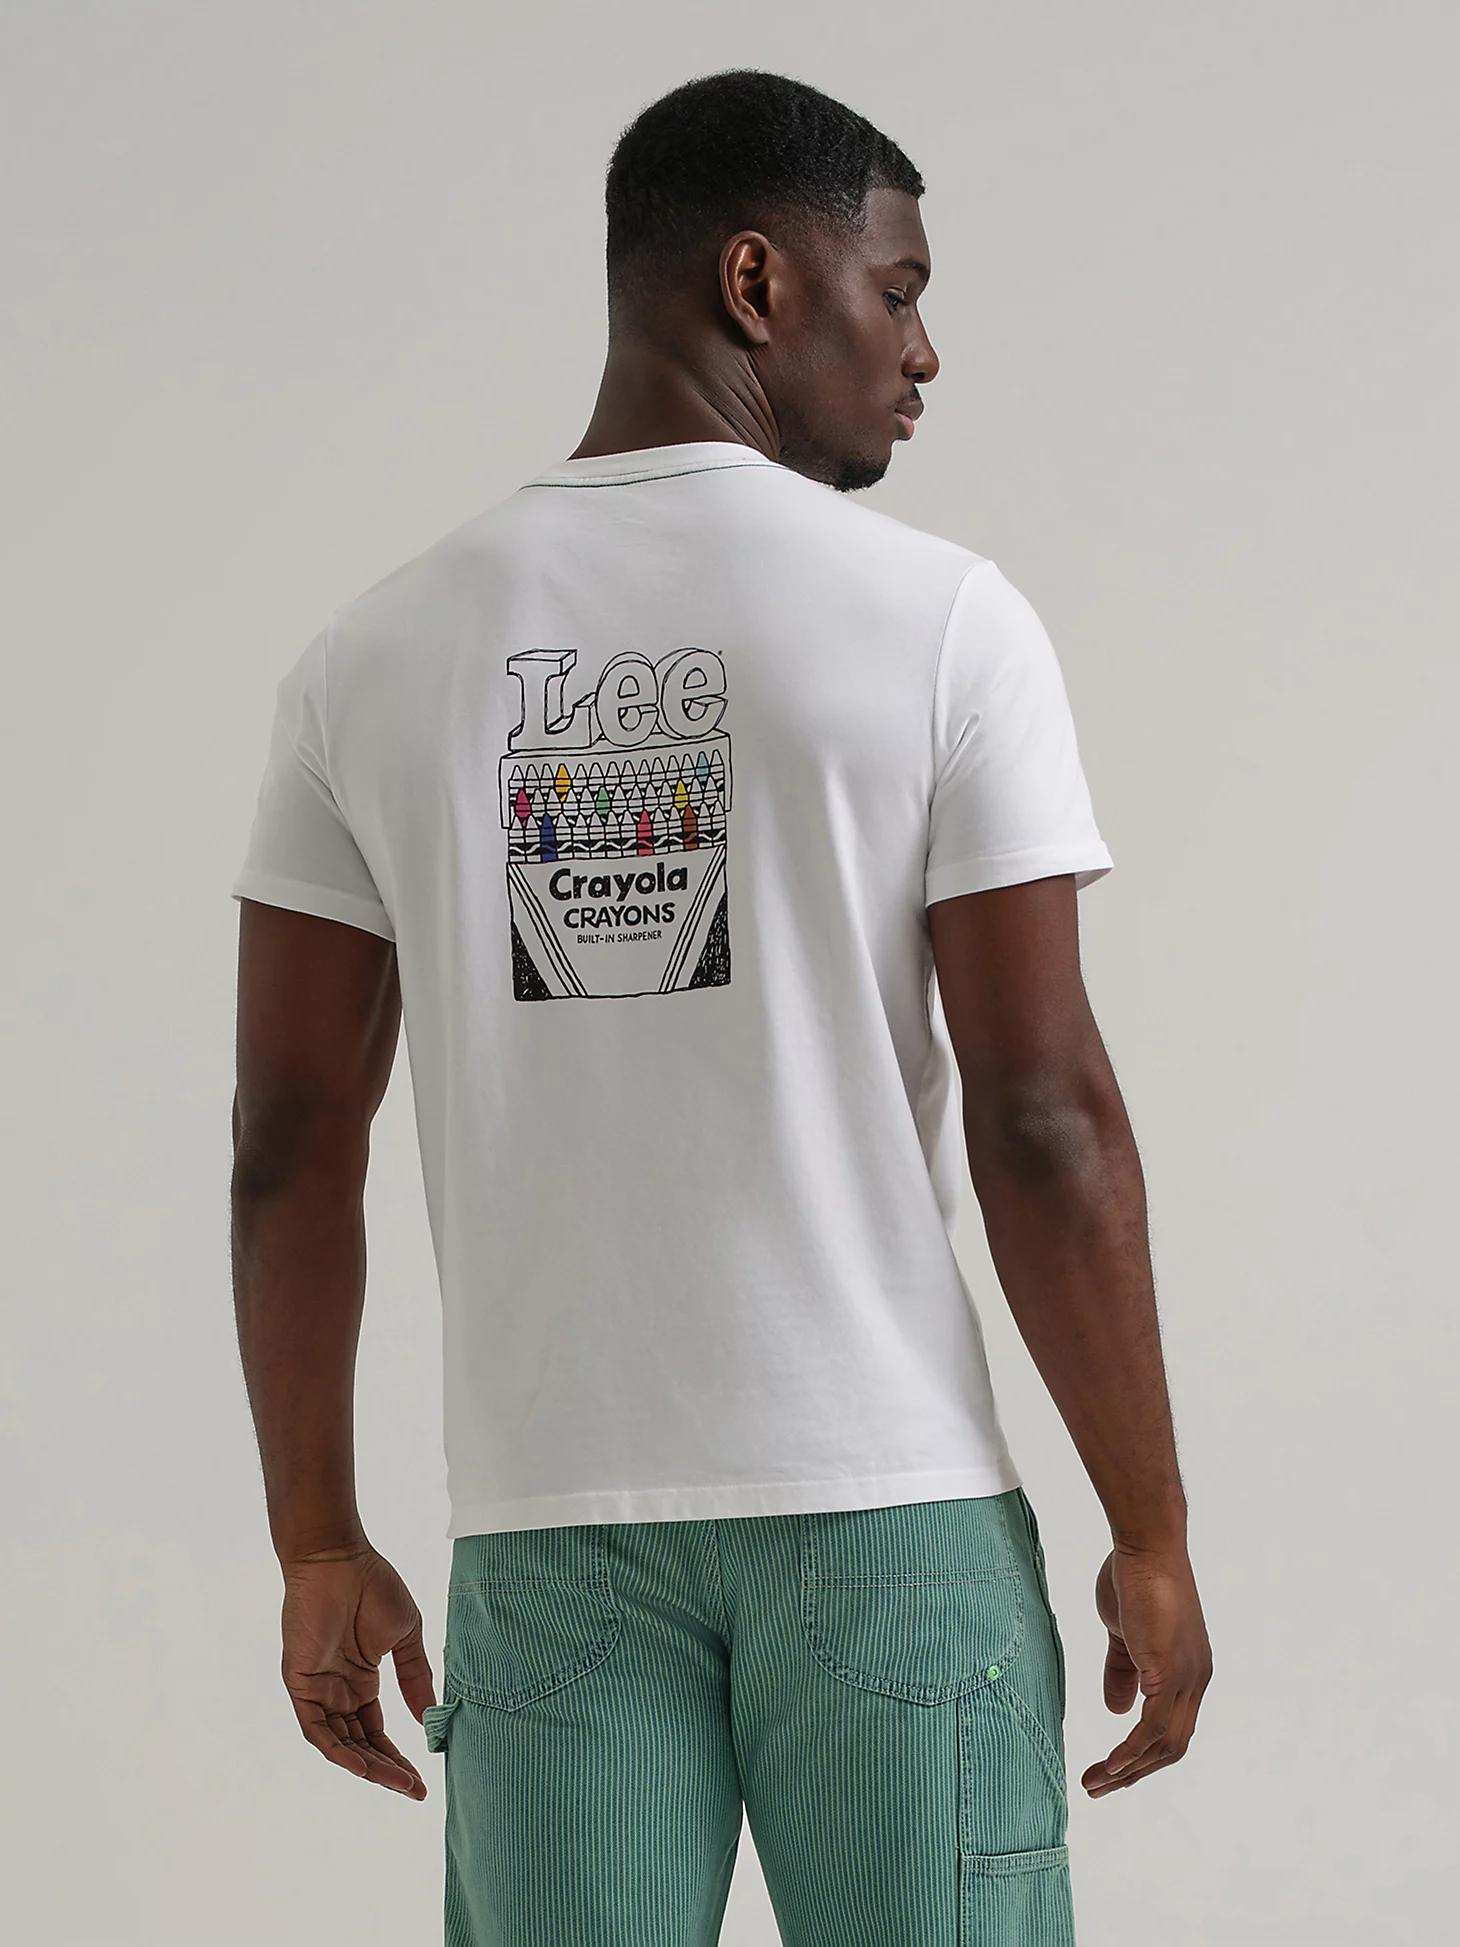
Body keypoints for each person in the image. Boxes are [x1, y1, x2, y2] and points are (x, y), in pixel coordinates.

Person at [230, 65, 1212, 1947]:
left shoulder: (372, 657)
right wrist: (1151, 1530)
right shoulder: (942, 622)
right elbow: (1045, 1114)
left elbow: (286, 1139)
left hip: (550, 1537)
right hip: (887, 1520)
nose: (923, 352)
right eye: (897, 290)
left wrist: (318, 1538)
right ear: (758, 284)